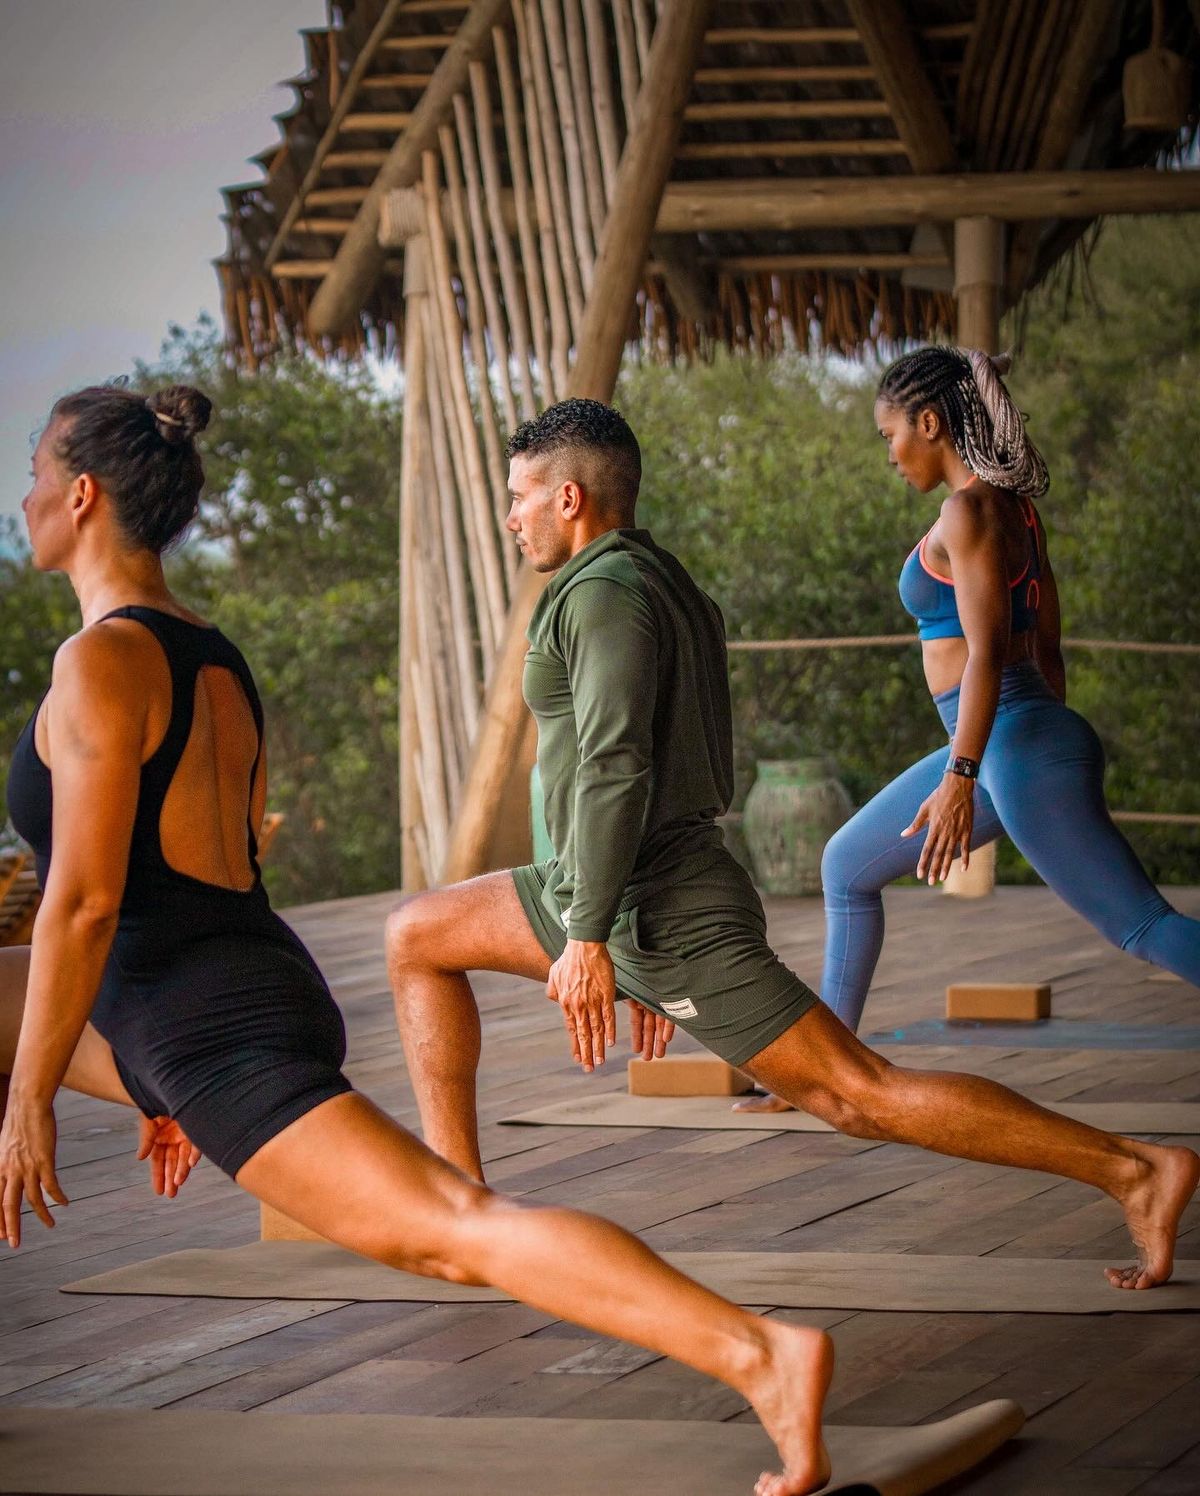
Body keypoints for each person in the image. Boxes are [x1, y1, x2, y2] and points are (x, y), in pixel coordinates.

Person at [0, 382, 838, 1496]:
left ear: (81, 493)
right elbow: (199, 871)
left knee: (455, 1227)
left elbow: (88, 904)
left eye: (34, 473)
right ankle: (151, 1081)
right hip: (226, 991)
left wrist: (34, 1091)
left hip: (206, 1028)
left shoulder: (97, 664)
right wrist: (139, 1077)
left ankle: (761, 1352)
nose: (24, 497)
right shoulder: (207, 649)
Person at [386, 397, 1197, 1294]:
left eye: (520, 497)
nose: (511, 516)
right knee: (418, 936)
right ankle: (459, 1209)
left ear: (569, 498)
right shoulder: (655, 582)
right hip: (603, 887)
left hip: (659, 907)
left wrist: (595, 935)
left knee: (854, 1094)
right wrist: (597, 915)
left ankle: (1133, 1168)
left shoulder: (609, 595)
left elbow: (619, 764)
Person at [736, 345, 1200, 1117]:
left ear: (929, 422)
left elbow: (990, 652)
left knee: (1144, 926)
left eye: (889, 436)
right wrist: (1020, 750)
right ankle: (824, 1076)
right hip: (1016, 745)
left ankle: (825, 1071)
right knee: (848, 864)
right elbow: (1046, 647)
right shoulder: (1014, 509)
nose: (889, 455)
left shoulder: (969, 511)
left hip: (1004, 747)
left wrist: (968, 775)